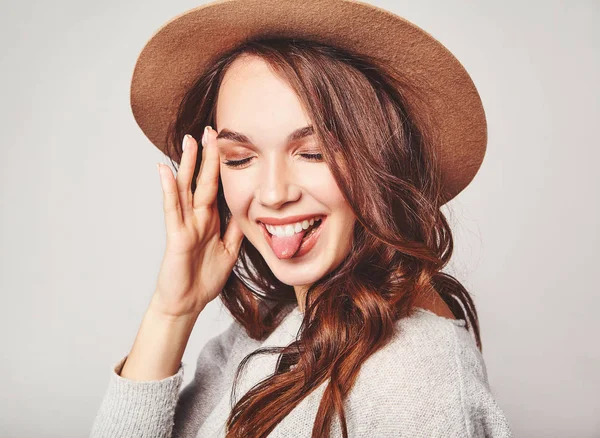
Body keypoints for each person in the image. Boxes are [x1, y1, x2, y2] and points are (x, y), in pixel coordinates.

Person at [91, 1, 513, 437]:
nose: (274, 194)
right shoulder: (262, 333)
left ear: (379, 159)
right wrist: (171, 312)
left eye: (313, 153)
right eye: (240, 158)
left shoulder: (416, 374)